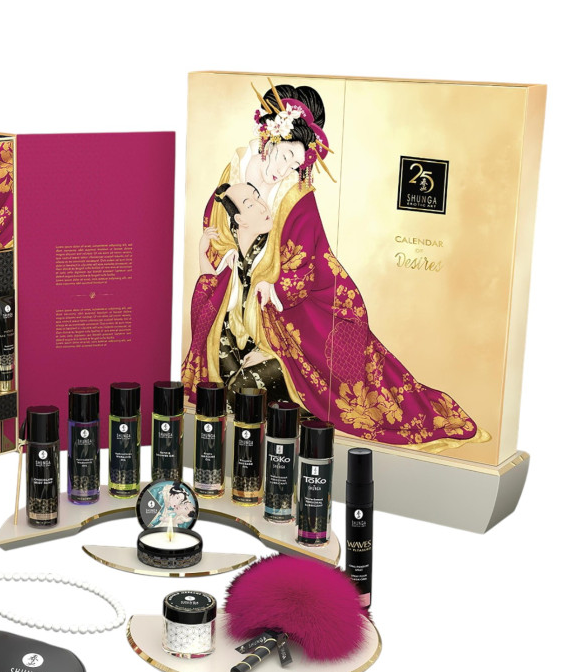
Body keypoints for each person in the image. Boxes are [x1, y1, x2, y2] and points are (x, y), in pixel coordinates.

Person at [182, 82, 485, 451]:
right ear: (270, 136)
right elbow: (215, 228)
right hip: (234, 302)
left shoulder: (298, 196)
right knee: (220, 380)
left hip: (291, 310)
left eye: (296, 163)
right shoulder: (236, 168)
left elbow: (304, 265)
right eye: (285, 156)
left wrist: (271, 285)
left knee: (270, 386)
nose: (286, 169)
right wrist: (227, 256)